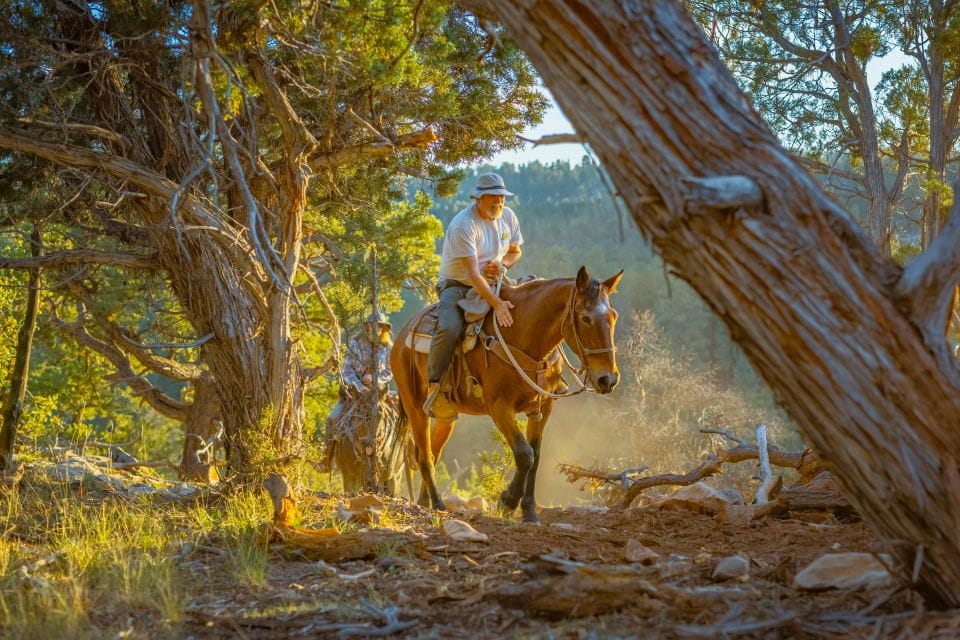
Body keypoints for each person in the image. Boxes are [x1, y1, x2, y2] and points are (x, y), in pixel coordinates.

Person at [423, 172, 523, 417]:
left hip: (495, 279)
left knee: (528, 308)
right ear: (478, 198)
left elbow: (515, 251)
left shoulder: (507, 216)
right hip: (458, 285)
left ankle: (544, 376)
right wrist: (497, 303)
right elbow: (471, 274)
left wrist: (503, 265)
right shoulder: (463, 224)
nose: (498, 202)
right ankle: (435, 386)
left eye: (501, 197)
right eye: (492, 197)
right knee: (449, 327)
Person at [322, 311, 393, 469]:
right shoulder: (355, 343)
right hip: (354, 393)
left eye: (380, 327)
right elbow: (347, 370)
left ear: (383, 329)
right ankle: (326, 459)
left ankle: (408, 456)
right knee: (332, 418)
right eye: (373, 326)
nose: (377, 329)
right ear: (367, 327)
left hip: (379, 393)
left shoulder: (388, 347)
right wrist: (359, 386)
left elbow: (389, 371)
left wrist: (375, 380)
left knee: (403, 413)